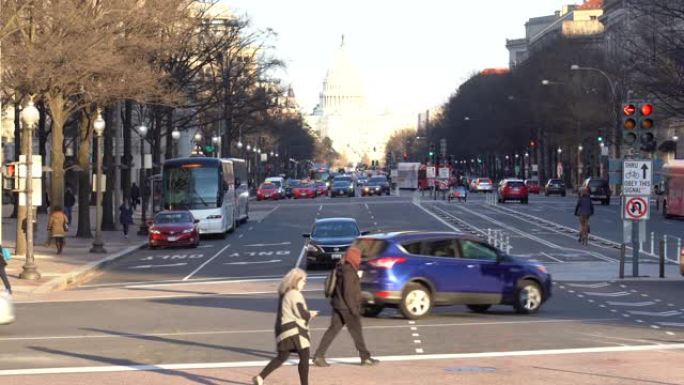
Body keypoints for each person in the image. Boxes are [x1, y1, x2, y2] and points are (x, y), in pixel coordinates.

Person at [313, 247, 379, 367]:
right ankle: (365, 358)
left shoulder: (341, 268)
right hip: (347, 307)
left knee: (332, 331)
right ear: (353, 258)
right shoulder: (349, 271)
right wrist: (354, 309)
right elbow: (348, 292)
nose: (359, 260)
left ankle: (319, 355)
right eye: (358, 257)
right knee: (356, 333)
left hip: (338, 304)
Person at [254, 268, 317, 385]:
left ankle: (260, 377)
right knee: (304, 354)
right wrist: (311, 314)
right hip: (294, 331)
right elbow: (301, 313)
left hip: (283, 330)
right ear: (296, 281)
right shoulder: (294, 294)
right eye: (303, 280)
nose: (304, 283)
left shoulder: (285, 293)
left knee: (282, 356)